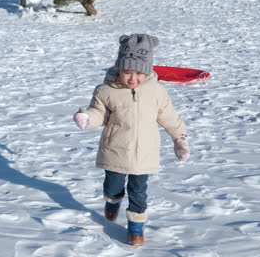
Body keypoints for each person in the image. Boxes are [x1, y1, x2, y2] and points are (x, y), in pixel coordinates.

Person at [73, 34, 190, 246]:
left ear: (147, 71)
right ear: (119, 69)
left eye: (138, 73)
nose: (133, 78)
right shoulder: (106, 91)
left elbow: (169, 116)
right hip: (115, 149)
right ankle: (112, 200)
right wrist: (88, 118)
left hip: (144, 152)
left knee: (138, 191)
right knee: (113, 185)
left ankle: (135, 229)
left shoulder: (156, 92)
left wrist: (179, 137)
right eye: (127, 72)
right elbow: (100, 113)